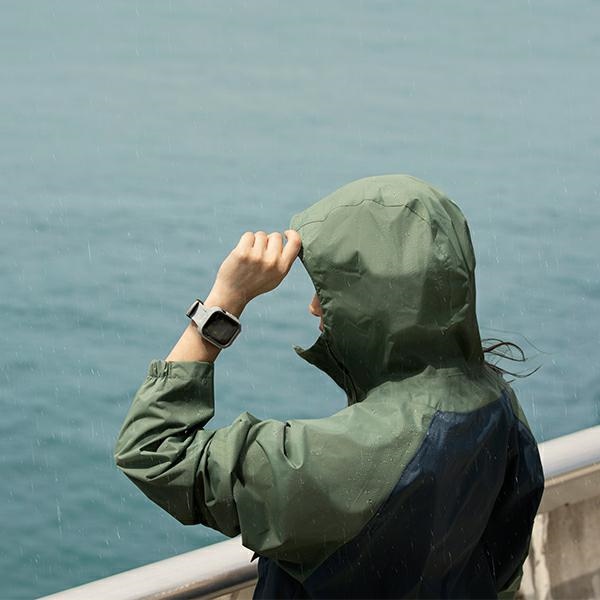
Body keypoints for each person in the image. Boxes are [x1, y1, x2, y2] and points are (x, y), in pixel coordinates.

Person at [114, 174, 545, 599]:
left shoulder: (343, 462)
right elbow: (504, 569)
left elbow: (153, 450)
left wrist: (223, 304)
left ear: (374, 302)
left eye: (330, 290)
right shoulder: (498, 408)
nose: (314, 306)